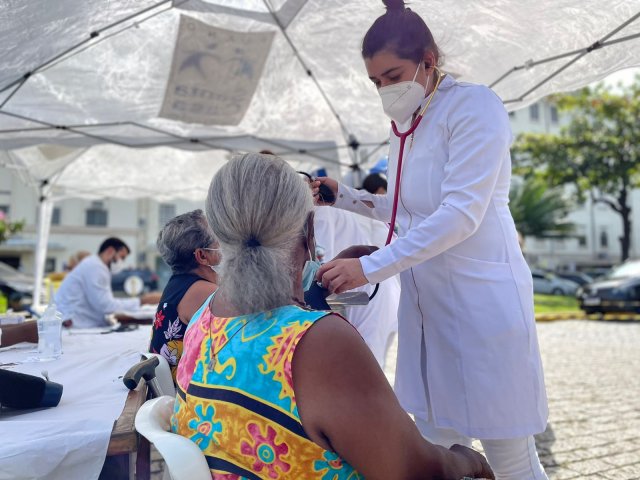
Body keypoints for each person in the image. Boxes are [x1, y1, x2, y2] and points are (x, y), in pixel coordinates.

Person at [312, 2, 548, 478]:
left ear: (428, 59)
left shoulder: (474, 107)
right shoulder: (407, 124)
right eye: (375, 82)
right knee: (434, 454)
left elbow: (460, 214)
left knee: (510, 459)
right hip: (428, 313)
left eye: (392, 76)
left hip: (482, 310)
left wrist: (369, 268)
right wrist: (346, 197)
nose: (385, 90)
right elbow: (406, 210)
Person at [172, 153, 493, 480]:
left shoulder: (204, 314)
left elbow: (269, 327)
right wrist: (468, 459)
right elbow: (415, 471)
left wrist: (315, 287)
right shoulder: (321, 344)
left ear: (219, 233)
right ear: (309, 231)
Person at [149, 210, 219, 381]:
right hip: (184, 389)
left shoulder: (179, 284)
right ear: (202, 255)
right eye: (219, 239)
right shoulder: (206, 292)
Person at [54, 237, 156, 328]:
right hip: (74, 324)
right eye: (121, 257)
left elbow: (103, 304)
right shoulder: (96, 267)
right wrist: (141, 301)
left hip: (77, 321)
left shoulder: (96, 265)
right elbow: (106, 306)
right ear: (110, 251)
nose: (122, 263)